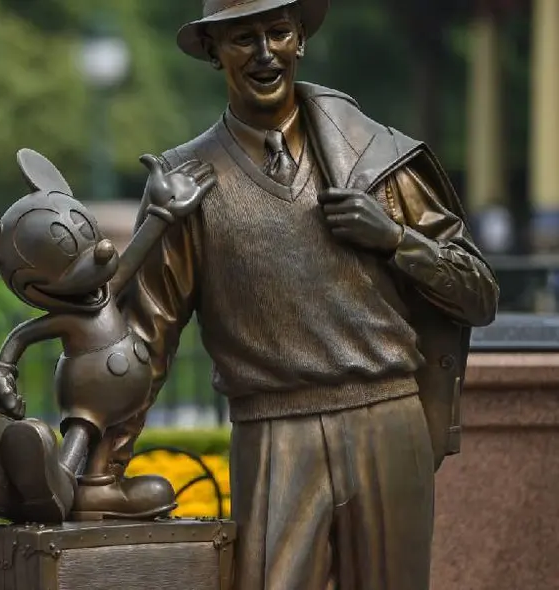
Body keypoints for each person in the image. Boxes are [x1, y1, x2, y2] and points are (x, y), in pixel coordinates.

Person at [106, 0, 501, 588]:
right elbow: (146, 337)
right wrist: (97, 466)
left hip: (386, 421)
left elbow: (479, 296)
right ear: (214, 52)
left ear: (300, 41)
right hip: (274, 434)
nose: (265, 54)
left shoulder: (378, 159)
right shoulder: (184, 182)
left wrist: (394, 238)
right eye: (243, 38)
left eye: (277, 33)